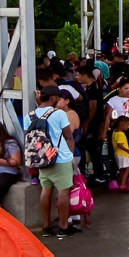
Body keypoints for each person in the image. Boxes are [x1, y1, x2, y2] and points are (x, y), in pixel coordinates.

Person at [24, 86, 80, 237]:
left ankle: (46, 227)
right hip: (60, 158)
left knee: (45, 190)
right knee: (63, 191)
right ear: (54, 98)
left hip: (42, 159)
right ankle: (63, 226)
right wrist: (71, 156)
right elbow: (68, 136)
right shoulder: (59, 114)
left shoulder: (29, 116)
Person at [112, 116, 129, 191]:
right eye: (127, 125)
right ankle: (122, 184)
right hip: (123, 154)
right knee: (127, 168)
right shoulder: (120, 134)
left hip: (118, 154)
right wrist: (128, 151)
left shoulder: (114, 132)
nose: (127, 127)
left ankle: (121, 183)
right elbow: (120, 144)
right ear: (121, 124)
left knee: (122, 170)